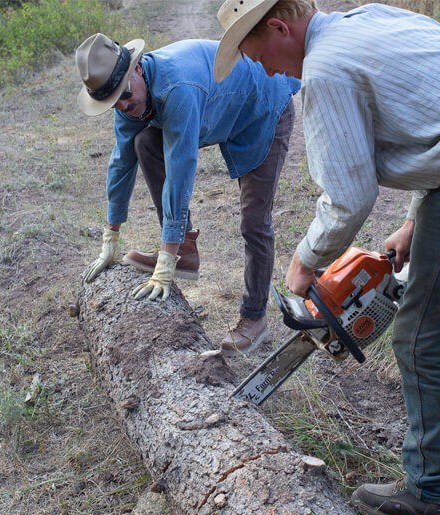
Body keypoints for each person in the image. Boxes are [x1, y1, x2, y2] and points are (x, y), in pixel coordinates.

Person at [213, 0, 440, 515]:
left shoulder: (324, 69)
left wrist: (304, 263)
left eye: (261, 56)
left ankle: (432, 489)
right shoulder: (368, 18)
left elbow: (348, 197)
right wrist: (416, 224)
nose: (269, 70)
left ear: (279, 27)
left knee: (417, 333)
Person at [76, 33, 299, 354]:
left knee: (254, 221)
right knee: (143, 144)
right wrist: (110, 237)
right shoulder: (126, 100)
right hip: (219, 108)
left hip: (261, 107)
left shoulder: (178, 88)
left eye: (125, 95)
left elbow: (181, 172)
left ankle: (254, 317)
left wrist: (164, 262)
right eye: (114, 103)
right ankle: (185, 250)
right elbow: (120, 163)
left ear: (137, 69)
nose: (124, 106)